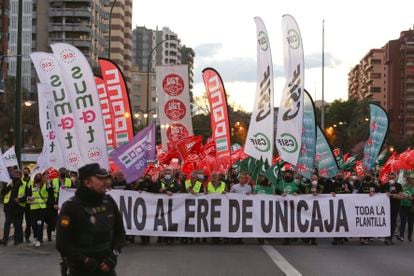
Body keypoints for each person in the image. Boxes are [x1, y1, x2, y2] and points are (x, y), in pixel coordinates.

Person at [56, 163, 126, 276]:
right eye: (100, 179)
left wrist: (113, 256)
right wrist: (84, 260)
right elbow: (62, 243)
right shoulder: (70, 207)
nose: (106, 182)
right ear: (87, 182)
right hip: (81, 271)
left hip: (107, 269)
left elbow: (120, 233)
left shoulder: (109, 202)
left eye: (106, 178)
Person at [0, 169, 27, 246]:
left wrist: (20, 199)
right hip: (8, 207)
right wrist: (9, 187)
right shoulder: (9, 183)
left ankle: (16, 240)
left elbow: (28, 195)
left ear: (21, 175)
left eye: (18, 174)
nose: (17, 175)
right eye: (15, 173)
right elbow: (2, 193)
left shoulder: (23, 184)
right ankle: (5, 240)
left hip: (18, 207)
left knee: (17, 224)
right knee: (7, 224)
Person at [27, 173, 53, 247]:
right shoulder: (31, 186)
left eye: (39, 176)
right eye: (37, 176)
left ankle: (38, 239)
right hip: (33, 208)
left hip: (42, 208)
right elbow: (27, 195)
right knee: (33, 224)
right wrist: (29, 198)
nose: (38, 178)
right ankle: (36, 237)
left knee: (39, 224)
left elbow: (50, 193)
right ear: (35, 178)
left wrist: (48, 183)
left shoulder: (45, 185)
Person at [380, 172, 402, 244]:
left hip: (395, 207)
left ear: (395, 177)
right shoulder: (384, 185)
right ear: (388, 177)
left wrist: (391, 195)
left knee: (393, 223)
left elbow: (401, 196)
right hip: (385, 208)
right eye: (390, 177)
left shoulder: (399, 185)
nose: (391, 179)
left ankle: (390, 238)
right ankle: (386, 237)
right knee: (386, 222)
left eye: (392, 177)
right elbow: (378, 195)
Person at [358, 173, 378, 245]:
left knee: (368, 222)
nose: (368, 177)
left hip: (371, 207)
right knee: (362, 222)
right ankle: (362, 238)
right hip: (363, 206)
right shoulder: (362, 185)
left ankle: (367, 237)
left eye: (369, 176)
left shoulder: (374, 185)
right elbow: (358, 194)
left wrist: (374, 193)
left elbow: (380, 192)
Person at [398, 171, 414, 242]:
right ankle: (401, 236)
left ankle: (409, 237)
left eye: (410, 179)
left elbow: (412, 198)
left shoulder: (413, 188)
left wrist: (410, 197)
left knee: (410, 223)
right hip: (403, 206)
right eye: (407, 179)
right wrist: (401, 195)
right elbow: (400, 195)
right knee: (403, 221)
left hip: (411, 207)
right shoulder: (403, 187)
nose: (408, 180)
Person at [22, 167, 34, 243]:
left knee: (29, 222)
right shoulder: (21, 180)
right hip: (21, 203)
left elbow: (33, 192)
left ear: (29, 172)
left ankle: (27, 237)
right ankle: (19, 237)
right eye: (24, 172)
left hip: (29, 204)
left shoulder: (32, 181)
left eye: (27, 172)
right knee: (19, 222)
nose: (25, 173)